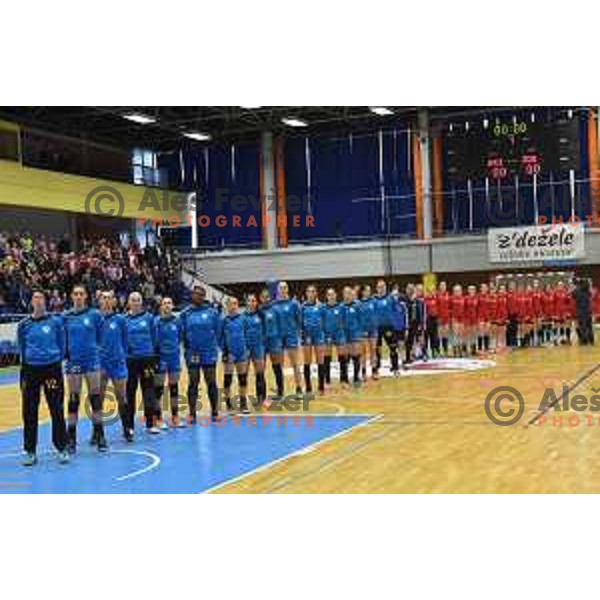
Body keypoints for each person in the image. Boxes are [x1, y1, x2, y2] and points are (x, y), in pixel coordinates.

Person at [17, 289, 70, 466]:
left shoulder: (55, 322)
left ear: (45, 302)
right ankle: (30, 451)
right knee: (29, 411)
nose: (38, 300)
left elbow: (62, 345)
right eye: (35, 297)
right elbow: (22, 348)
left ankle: (62, 448)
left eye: (41, 297)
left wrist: (53, 359)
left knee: (56, 408)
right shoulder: (24, 324)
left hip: (51, 369)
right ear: (31, 302)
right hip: (31, 370)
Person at [63, 284, 105, 453]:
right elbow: (62, 338)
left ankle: (100, 435)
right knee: (73, 400)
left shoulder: (94, 315)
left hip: (91, 361)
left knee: (95, 398)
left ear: (86, 296)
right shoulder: (65, 316)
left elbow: (101, 337)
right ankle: (71, 438)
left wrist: (94, 351)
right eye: (76, 293)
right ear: (72, 296)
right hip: (73, 362)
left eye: (81, 293)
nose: (78, 296)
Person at [180, 286, 222, 422]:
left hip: (209, 352)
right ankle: (192, 413)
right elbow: (181, 333)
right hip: (193, 353)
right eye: (195, 294)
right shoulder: (185, 313)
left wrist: (218, 348)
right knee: (193, 382)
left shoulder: (212, 313)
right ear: (192, 296)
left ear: (204, 297)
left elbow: (218, 331)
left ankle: (215, 411)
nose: (197, 296)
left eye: (200, 294)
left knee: (211, 382)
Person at [125, 291, 160, 436]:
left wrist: (155, 358)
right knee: (130, 392)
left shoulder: (149, 318)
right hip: (130, 360)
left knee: (148, 391)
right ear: (128, 302)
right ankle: (129, 426)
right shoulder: (124, 319)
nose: (136, 302)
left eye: (138, 300)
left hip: (147, 359)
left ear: (142, 302)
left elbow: (154, 338)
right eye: (133, 300)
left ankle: (150, 424)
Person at [98, 289, 129, 442]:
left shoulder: (120, 320)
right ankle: (97, 432)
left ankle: (126, 428)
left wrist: (121, 356)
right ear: (99, 301)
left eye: (110, 298)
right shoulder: (95, 320)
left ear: (114, 301)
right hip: (100, 365)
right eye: (104, 298)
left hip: (117, 364)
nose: (107, 300)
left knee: (121, 397)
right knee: (99, 399)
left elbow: (125, 341)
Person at [154, 297, 185, 427]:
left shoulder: (177, 321)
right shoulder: (156, 322)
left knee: (174, 388)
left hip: (174, 358)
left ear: (172, 306)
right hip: (161, 358)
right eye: (164, 303)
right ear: (161, 306)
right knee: (158, 389)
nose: (167, 305)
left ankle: (175, 416)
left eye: (169, 303)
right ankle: (159, 417)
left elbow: (180, 338)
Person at [273, 281, 303, 394]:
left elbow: (299, 320)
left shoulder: (294, 303)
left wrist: (298, 334)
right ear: (277, 290)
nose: (283, 289)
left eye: (285, 287)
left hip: (291, 337)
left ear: (288, 289)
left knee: (295, 364)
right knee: (279, 365)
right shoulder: (273, 304)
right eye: (281, 287)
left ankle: (299, 388)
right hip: (278, 338)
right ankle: (280, 389)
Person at [222, 297, 250, 414]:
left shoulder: (243, 319)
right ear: (227, 306)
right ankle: (228, 404)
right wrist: (225, 352)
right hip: (229, 354)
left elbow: (247, 334)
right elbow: (220, 337)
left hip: (241, 353)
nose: (233, 306)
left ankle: (243, 403)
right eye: (231, 304)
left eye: (235, 303)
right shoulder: (223, 320)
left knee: (242, 379)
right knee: (228, 379)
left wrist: (247, 349)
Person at [259, 288, 284, 398]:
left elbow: (280, 326)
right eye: (263, 297)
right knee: (261, 368)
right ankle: (262, 394)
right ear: (260, 298)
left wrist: (279, 340)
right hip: (261, 343)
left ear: (270, 298)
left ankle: (280, 391)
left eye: (267, 296)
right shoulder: (257, 310)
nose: (266, 299)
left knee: (276, 367)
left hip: (274, 342)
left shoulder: (275, 310)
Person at [301, 285, 326, 394]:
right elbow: (300, 322)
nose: (311, 293)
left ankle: (321, 387)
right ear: (306, 293)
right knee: (307, 362)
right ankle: (308, 387)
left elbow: (325, 320)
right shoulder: (303, 307)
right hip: (307, 337)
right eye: (309, 291)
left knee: (320, 361)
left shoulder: (321, 306)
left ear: (316, 293)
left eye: (313, 291)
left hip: (319, 336)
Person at [373, 280, 401, 376]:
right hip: (376, 328)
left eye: (383, 286)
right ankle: (376, 369)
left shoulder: (391, 298)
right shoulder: (374, 300)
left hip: (389, 327)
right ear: (376, 288)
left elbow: (397, 309)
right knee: (377, 349)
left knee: (393, 347)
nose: (381, 288)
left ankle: (395, 368)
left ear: (385, 287)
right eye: (379, 287)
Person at [323, 288, 349, 386]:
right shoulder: (323, 308)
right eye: (329, 294)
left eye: (333, 294)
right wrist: (326, 335)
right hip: (328, 335)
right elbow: (321, 322)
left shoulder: (341, 307)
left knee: (342, 357)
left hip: (339, 334)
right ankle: (327, 380)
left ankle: (344, 379)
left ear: (336, 295)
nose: (331, 296)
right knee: (327, 358)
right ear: (327, 296)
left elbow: (345, 321)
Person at [245, 294, 267, 407]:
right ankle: (243, 400)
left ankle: (262, 399)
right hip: (246, 349)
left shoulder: (261, 315)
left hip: (259, 348)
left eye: (254, 301)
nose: (252, 303)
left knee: (260, 374)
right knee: (244, 374)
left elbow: (266, 330)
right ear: (246, 303)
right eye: (250, 301)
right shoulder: (243, 316)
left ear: (256, 303)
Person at [342, 286, 363, 386]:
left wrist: (359, 333)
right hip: (344, 336)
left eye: (349, 293)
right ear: (343, 294)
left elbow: (360, 320)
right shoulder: (341, 307)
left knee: (356, 356)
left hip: (355, 335)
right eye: (345, 293)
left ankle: (356, 377)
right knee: (345, 358)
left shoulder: (357, 306)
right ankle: (345, 378)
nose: (347, 295)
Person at [359, 284, 378, 379]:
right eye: (367, 290)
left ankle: (374, 371)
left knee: (373, 350)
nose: (369, 292)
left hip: (373, 330)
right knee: (363, 351)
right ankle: (363, 372)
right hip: (362, 331)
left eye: (370, 290)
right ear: (362, 292)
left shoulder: (373, 301)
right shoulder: (358, 303)